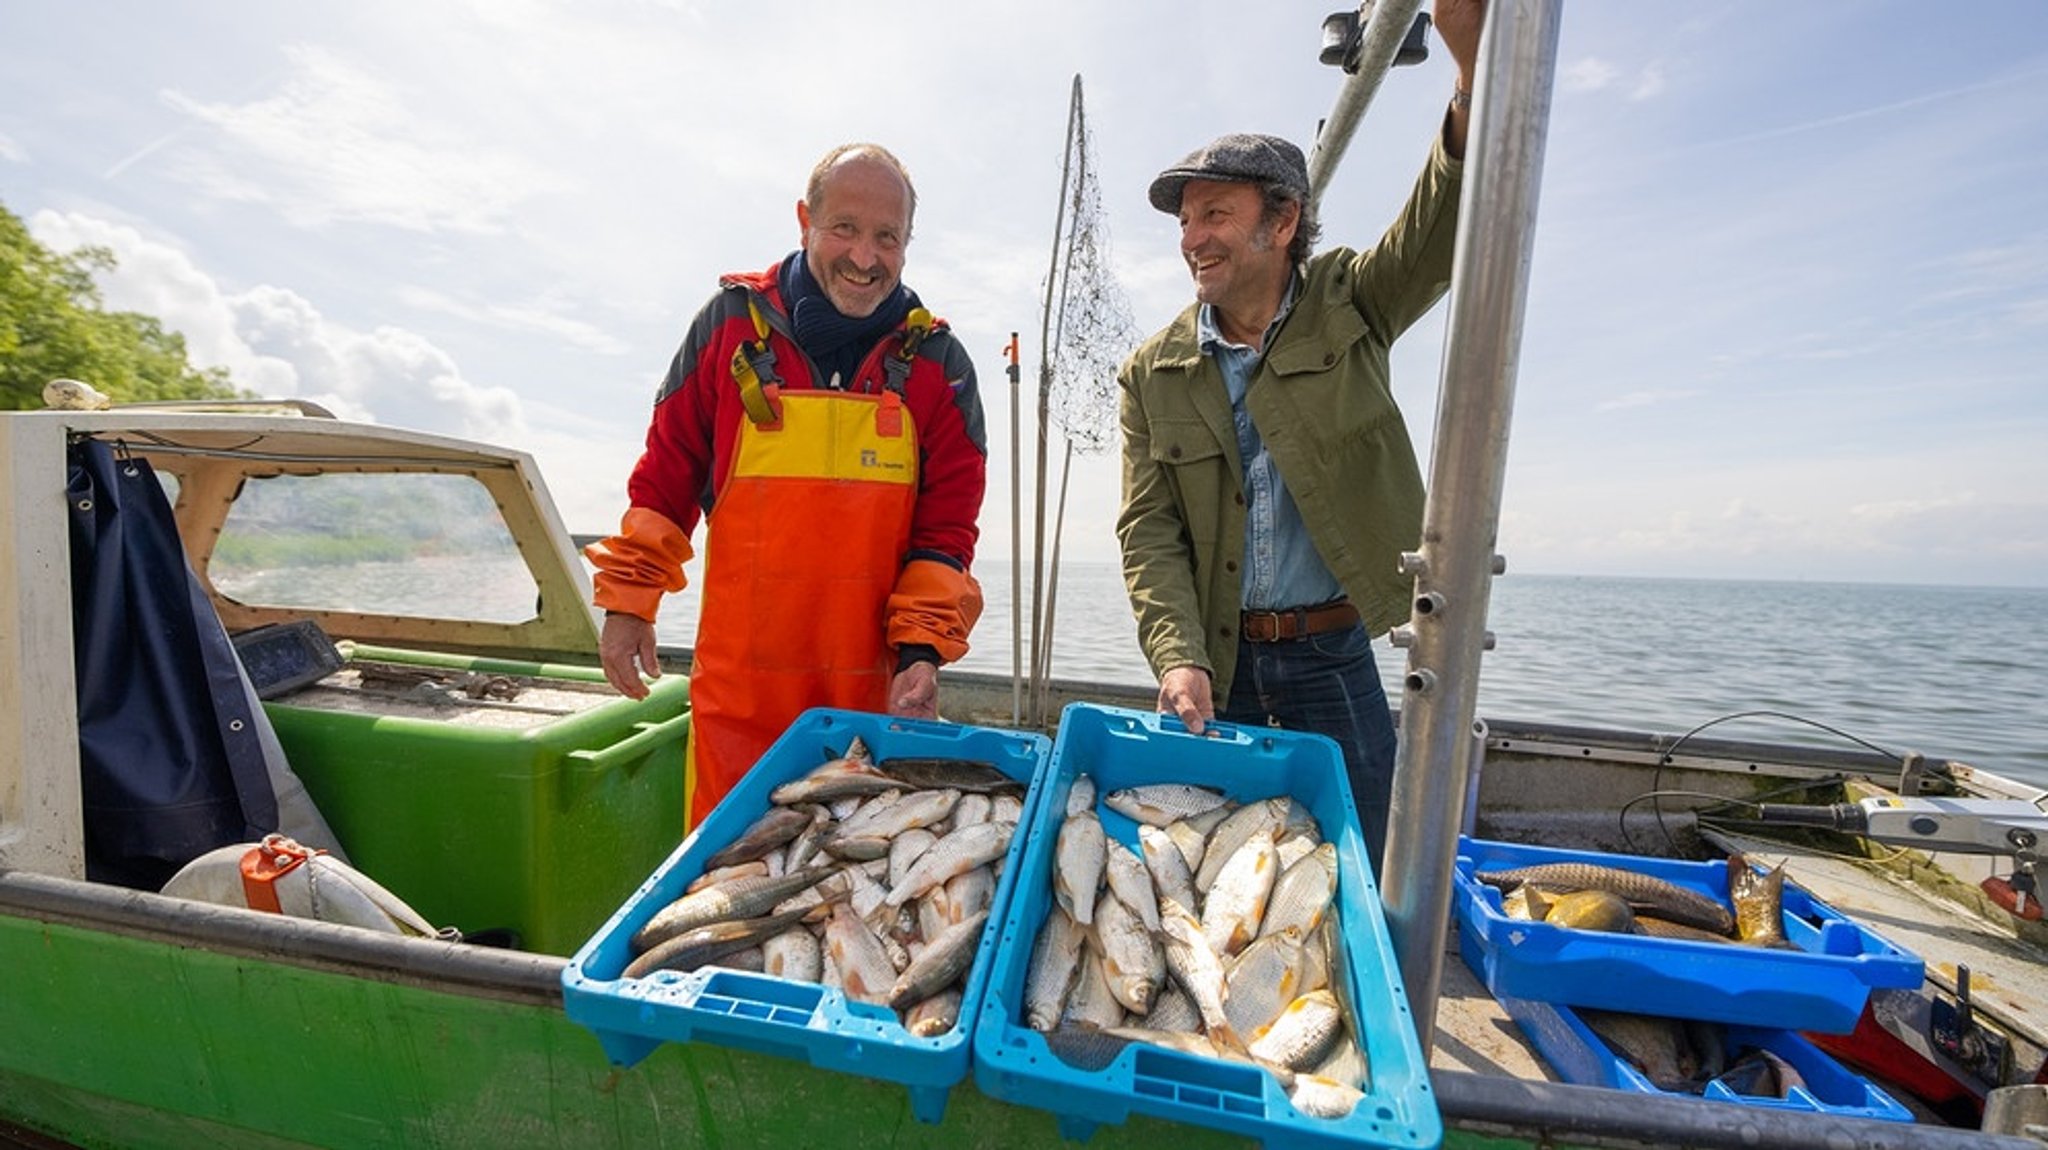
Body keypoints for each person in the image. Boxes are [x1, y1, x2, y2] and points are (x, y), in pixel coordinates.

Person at [1114, 1, 1483, 869]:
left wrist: (1469, 81)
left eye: (1214, 215)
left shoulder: (1350, 300)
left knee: (1370, 871)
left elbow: (1434, 233)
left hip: (1334, 654)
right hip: (1217, 664)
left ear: (1281, 224)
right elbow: (1148, 531)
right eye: (1185, 222)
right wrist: (1178, 657)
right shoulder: (1150, 370)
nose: (1192, 240)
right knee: (1222, 883)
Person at [586, 142, 988, 826]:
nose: (865, 257)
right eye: (846, 229)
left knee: (850, 891)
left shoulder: (939, 365)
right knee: (726, 881)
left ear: (908, 244)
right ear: (805, 220)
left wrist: (921, 653)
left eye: (887, 237)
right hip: (739, 700)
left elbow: (945, 533)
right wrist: (630, 602)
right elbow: (666, 475)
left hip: (868, 699)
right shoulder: (727, 327)